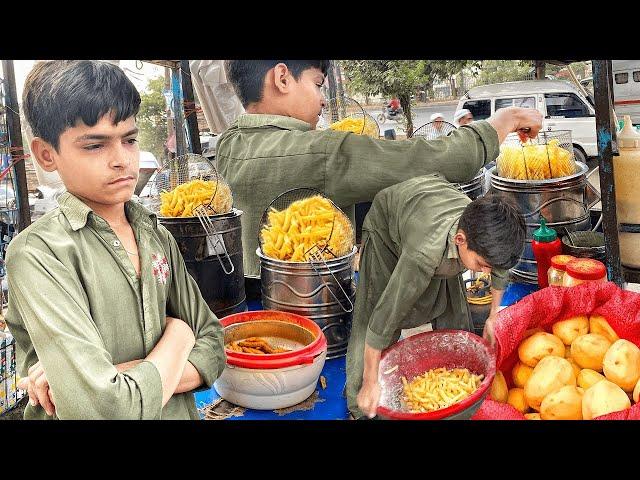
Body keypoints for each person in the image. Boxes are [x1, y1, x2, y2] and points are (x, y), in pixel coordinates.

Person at [5, 60, 225, 419]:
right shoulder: (39, 255)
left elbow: (215, 346)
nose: (123, 160)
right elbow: (107, 409)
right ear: (46, 155)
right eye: (95, 145)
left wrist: (119, 376)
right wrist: (181, 336)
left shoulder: (156, 236)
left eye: (130, 139)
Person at [217, 61, 542, 279]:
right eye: (317, 85)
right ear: (282, 78)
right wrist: (506, 119)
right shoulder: (322, 152)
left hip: (247, 312)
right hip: (317, 317)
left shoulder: (227, 145)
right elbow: (434, 157)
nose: (323, 100)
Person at [345, 175, 526, 419]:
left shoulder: (487, 235)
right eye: (481, 265)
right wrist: (370, 381)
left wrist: (494, 315)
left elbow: (498, 265)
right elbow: (382, 318)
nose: (485, 273)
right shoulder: (423, 254)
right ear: (460, 240)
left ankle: (459, 372)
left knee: (456, 310)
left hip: (432, 207)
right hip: (387, 226)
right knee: (373, 310)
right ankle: (360, 402)